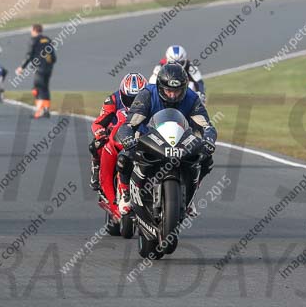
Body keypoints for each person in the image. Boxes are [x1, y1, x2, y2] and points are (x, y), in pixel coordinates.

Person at [115, 64, 216, 216]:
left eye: (177, 91)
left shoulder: (192, 98)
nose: (173, 96)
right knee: (124, 157)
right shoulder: (147, 94)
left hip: (181, 140)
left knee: (206, 160)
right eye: (169, 91)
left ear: (184, 88)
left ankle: (190, 196)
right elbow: (129, 123)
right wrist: (128, 138)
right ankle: (126, 194)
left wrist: (209, 140)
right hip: (148, 138)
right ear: (160, 87)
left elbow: (207, 126)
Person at [89, 72, 147, 191]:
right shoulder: (113, 100)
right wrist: (100, 132)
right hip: (115, 133)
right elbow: (98, 122)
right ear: (122, 94)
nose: (133, 103)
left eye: (137, 99)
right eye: (130, 99)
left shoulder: (151, 100)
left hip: (141, 134)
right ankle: (96, 167)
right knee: (96, 144)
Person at [15, 24, 55, 119]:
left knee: (37, 89)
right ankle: (46, 110)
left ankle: (39, 111)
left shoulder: (34, 40)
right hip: (48, 68)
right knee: (45, 88)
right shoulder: (47, 39)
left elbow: (29, 55)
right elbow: (53, 56)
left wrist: (22, 67)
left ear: (34, 30)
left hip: (39, 68)